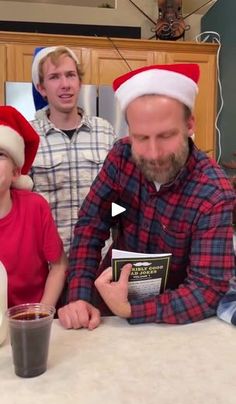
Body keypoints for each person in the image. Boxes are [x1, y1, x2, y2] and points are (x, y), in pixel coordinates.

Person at [58, 63, 236, 330]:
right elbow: (91, 225)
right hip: (108, 301)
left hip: (176, 317)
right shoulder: (121, 158)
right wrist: (81, 296)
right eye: (141, 137)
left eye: (166, 135)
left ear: (189, 124)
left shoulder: (213, 192)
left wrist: (131, 308)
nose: (153, 154)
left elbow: (207, 288)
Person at [30, 46, 117, 255]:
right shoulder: (28, 137)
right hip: (48, 264)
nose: (65, 85)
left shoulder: (104, 131)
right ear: (41, 88)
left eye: (70, 75)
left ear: (79, 82)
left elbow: (119, 198)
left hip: (98, 259)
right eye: (54, 77)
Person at [0, 105, 67, 308]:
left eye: (0, 154)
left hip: (31, 322)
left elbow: (59, 265)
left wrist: (42, 312)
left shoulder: (35, 208)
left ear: (15, 172)